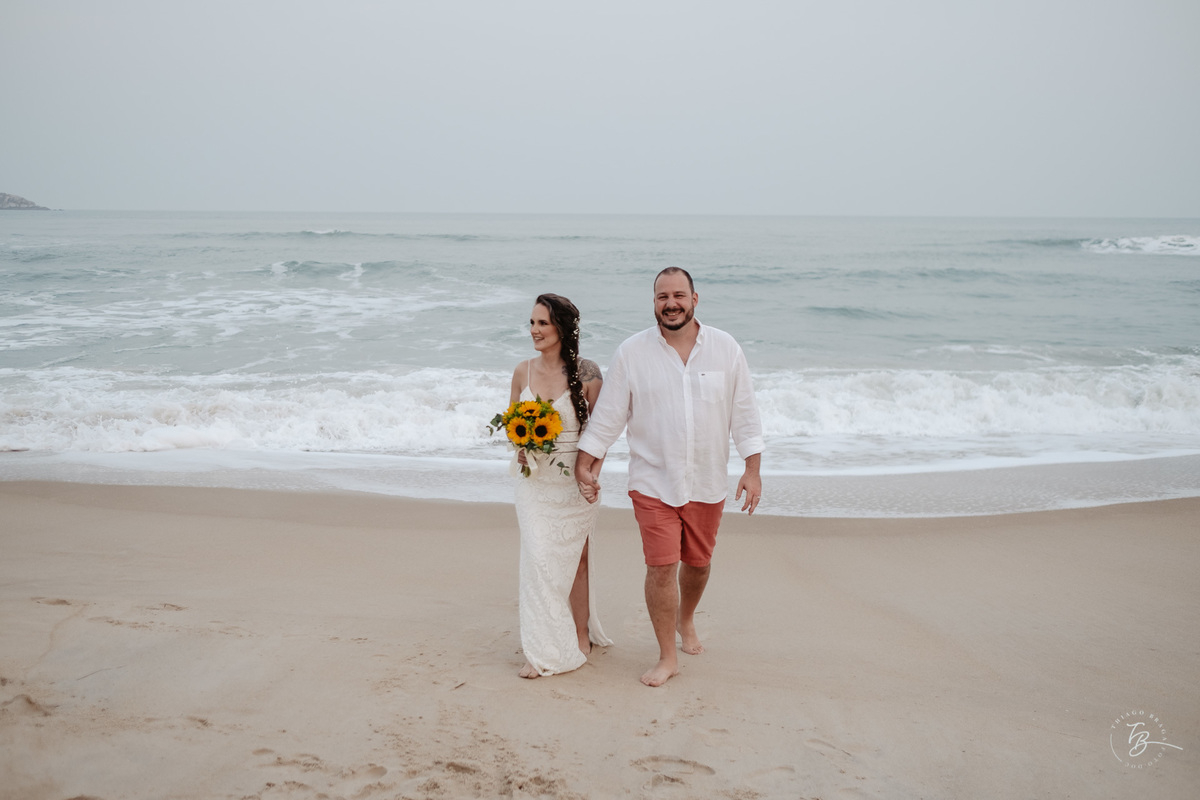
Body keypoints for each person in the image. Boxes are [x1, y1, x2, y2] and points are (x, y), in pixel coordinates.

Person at [575, 267, 763, 687]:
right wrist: (585, 461)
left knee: (697, 565)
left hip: (707, 481)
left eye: (679, 295)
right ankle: (666, 657)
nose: (671, 303)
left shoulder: (726, 349)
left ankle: (686, 618)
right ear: (654, 302)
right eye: (662, 296)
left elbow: (745, 414)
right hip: (652, 482)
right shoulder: (632, 352)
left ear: (696, 299)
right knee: (660, 568)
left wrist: (752, 470)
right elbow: (608, 417)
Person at [508, 293, 612, 678]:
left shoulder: (587, 373)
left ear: (562, 328)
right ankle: (539, 648)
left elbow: (600, 434)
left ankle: (580, 635)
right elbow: (511, 426)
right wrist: (520, 448)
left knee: (577, 561)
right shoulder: (523, 372)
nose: (534, 330)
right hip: (534, 483)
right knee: (537, 559)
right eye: (532, 323)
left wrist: (591, 475)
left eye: (542, 323)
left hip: (575, 481)